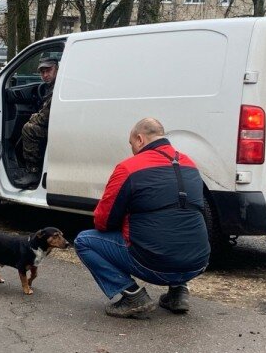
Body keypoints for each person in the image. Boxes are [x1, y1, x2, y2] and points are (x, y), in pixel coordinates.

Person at [73, 118, 210, 318]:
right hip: (197, 263)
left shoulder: (130, 168)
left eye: (131, 144)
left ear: (139, 139)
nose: (132, 150)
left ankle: (133, 296)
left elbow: (103, 221)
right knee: (178, 223)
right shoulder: (190, 164)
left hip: (153, 265)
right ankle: (178, 293)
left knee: (84, 241)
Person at [18, 53, 59, 173]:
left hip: (57, 129)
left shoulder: (57, 88)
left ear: (57, 69)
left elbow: (43, 119)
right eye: (42, 72)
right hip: (58, 125)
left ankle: (33, 171)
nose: (45, 75)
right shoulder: (52, 86)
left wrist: (33, 117)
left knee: (29, 129)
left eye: (48, 70)